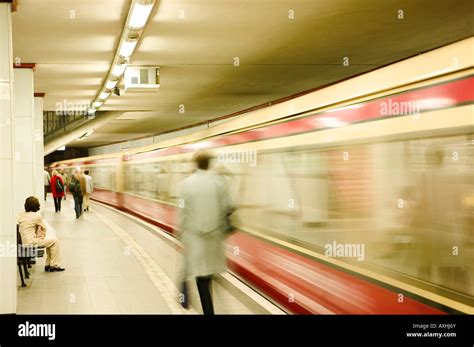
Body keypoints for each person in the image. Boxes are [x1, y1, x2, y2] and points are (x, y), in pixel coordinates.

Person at [178, 151, 233, 315]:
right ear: (209, 164)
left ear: (195, 164)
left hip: (195, 239)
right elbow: (228, 207)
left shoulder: (186, 184)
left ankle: (208, 311)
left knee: (201, 278)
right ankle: (210, 308)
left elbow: (182, 212)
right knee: (208, 275)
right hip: (215, 239)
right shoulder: (220, 182)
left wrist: (180, 235)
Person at [17, 196, 65, 272]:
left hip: (24, 242)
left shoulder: (21, 215)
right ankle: (53, 265)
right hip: (31, 242)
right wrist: (41, 233)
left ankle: (49, 264)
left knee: (50, 242)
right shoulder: (36, 216)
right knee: (54, 240)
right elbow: (44, 227)